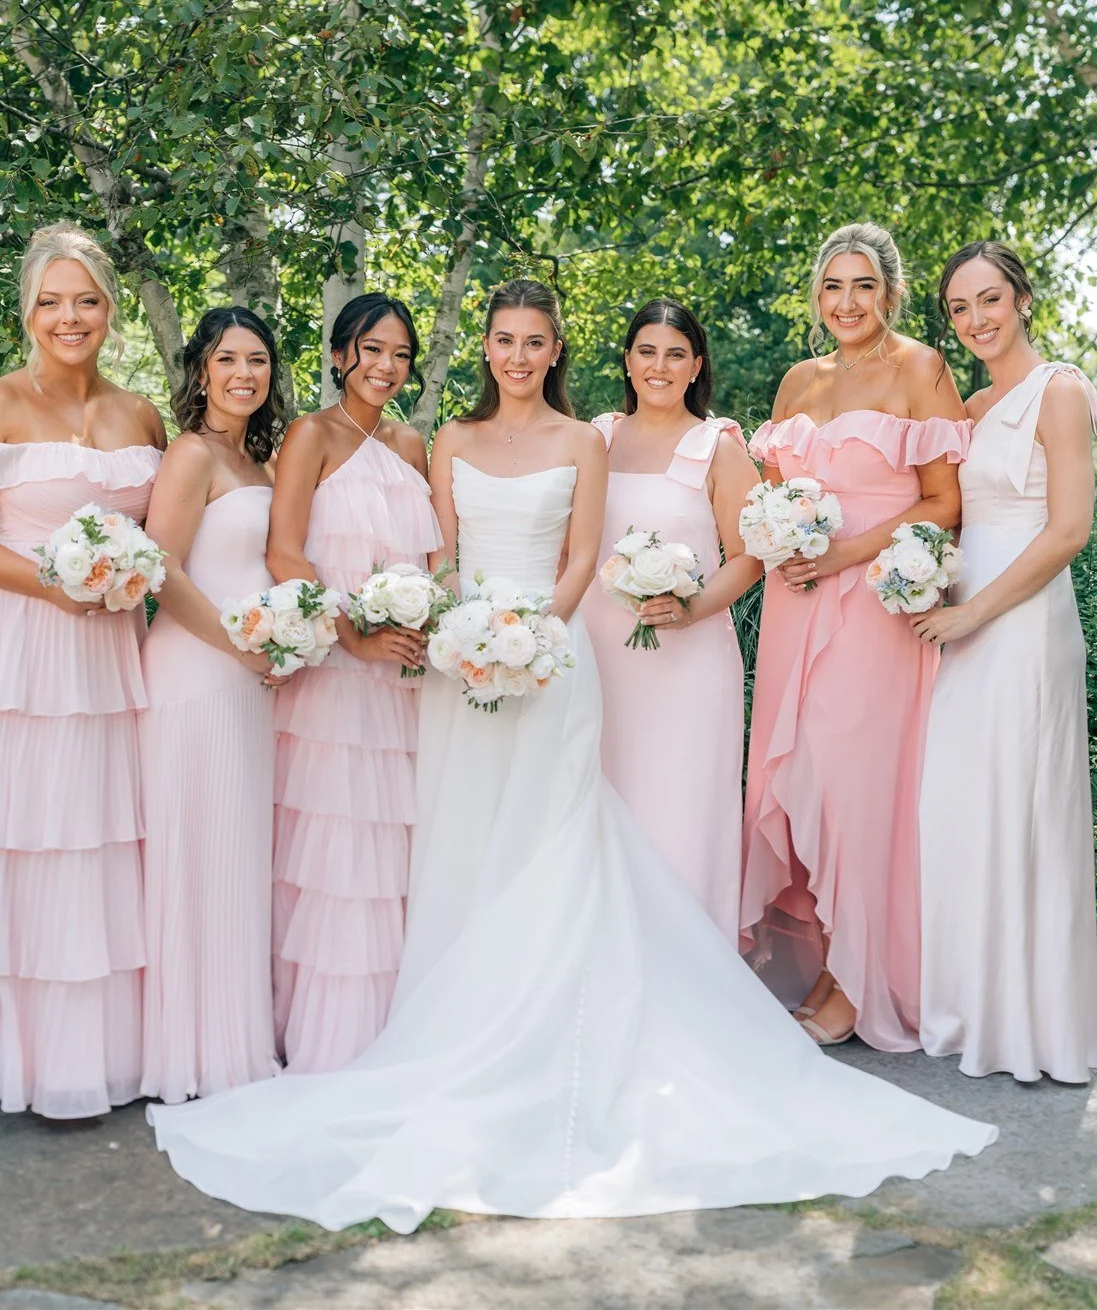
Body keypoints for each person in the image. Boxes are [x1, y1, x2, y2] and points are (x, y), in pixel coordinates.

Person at [147, 278, 997, 1234]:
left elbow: (583, 557)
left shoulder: (583, 441)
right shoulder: (450, 444)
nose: (518, 355)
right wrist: (465, 633)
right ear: (486, 350)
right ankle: (456, 1030)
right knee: (464, 848)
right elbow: (442, 558)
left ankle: (571, 1037)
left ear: (557, 351)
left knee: (559, 848)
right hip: (459, 669)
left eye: (535, 341)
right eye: (503, 340)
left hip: (552, 663)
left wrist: (530, 640)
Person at [0, 222, 166, 1118]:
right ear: (27, 309)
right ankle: (53, 1070)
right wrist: (55, 584)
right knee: (46, 844)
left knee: (116, 842)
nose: (71, 318)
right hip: (27, 650)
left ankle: (126, 1055)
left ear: (110, 309)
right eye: (52, 301)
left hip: (116, 652)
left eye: (88, 301)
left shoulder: (140, 414)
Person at [742, 222, 969, 1049]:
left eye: (863, 286)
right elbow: (773, 494)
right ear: (817, 295)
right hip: (795, 602)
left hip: (874, 602)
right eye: (833, 286)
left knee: (852, 786)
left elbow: (944, 503)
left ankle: (860, 979)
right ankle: (807, 959)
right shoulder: (797, 380)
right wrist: (780, 537)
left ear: (890, 292)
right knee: (794, 772)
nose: (847, 302)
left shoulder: (920, 370)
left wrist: (842, 551)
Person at [913, 241, 1097, 1083]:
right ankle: (976, 1011)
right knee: (966, 807)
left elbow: (1068, 529)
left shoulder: (1057, 391)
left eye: (989, 299)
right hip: (966, 612)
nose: (976, 319)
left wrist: (976, 613)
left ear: (1023, 298)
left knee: (1023, 809)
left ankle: (1034, 1028)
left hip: (1022, 624)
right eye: (959, 308)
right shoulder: (978, 401)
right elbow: (960, 514)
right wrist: (921, 576)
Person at [264, 293, 438, 1072]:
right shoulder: (312, 435)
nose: (386, 366)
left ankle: (396, 1027)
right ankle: (332, 1043)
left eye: (400, 354)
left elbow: (431, 560)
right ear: (340, 355)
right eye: (372, 349)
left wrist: (429, 625)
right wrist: (352, 633)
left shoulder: (413, 443)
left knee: (396, 854)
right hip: (335, 678)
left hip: (404, 683)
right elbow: (285, 552)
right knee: (336, 852)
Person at [138, 306, 292, 1102]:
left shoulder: (264, 462)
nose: (244, 374)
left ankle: (236, 1040)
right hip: (195, 676)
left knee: (237, 857)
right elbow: (162, 570)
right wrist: (241, 645)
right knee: (195, 855)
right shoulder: (192, 455)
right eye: (228, 359)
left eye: (258, 360)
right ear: (201, 370)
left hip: (252, 680)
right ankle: (188, 1049)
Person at [581, 299, 759, 934]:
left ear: (696, 366)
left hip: (689, 664)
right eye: (647, 352)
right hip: (598, 659)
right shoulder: (593, 437)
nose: (659, 366)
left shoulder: (719, 447)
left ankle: (692, 962)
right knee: (605, 800)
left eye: (675, 354)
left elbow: (748, 556)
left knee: (681, 808)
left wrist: (691, 607)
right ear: (627, 362)